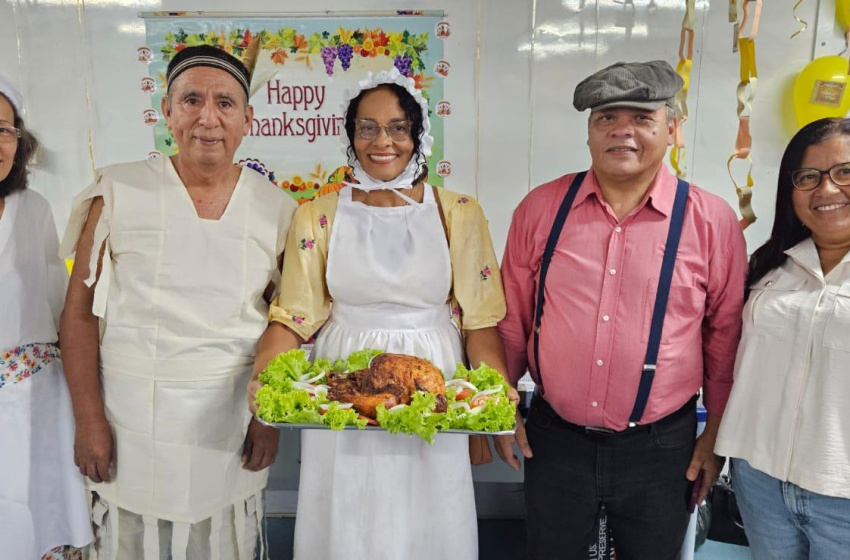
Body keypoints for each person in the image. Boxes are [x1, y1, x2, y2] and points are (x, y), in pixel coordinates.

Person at [247, 68, 514, 560]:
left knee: (429, 510)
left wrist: (495, 408)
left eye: (398, 127)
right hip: (346, 378)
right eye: (366, 127)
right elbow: (294, 315)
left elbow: (480, 323)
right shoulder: (318, 215)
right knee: (349, 506)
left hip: (432, 374)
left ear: (418, 134)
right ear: (351, 136)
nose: (382, 141)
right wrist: (264, 378)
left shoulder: (458, 211)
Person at [496, 60, 749, 560]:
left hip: (663, 449)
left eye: (642, 118)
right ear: (589, 132)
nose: (622, 131)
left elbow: (725, 337)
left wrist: (716, 434)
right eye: (606, 118)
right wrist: (501, 412)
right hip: (555, 439)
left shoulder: (711, 220)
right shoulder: (541, 209)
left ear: (673, 129)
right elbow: (512, 321)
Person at [59, 46, 297, 559]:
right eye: (191, 100)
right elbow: (78, 315)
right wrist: (88, 419)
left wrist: (267, 419)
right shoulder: (117, 191)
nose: (207, 118)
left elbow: (289, 325)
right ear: (166, 112)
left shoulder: (278, 210)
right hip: (129, 422)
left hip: (230, 421)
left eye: (225, 103)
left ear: (247, 119)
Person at [715, 117, 850, 559]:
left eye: (844, 172)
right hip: (760, 479)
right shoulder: (770, 267)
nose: (826, 190)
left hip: (842, 491)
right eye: (808, 177)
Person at [0, 75, 93, 560]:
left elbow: (58, 306)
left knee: (42, 520)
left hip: (38, 399)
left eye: (4, 129)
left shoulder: (34, 209)